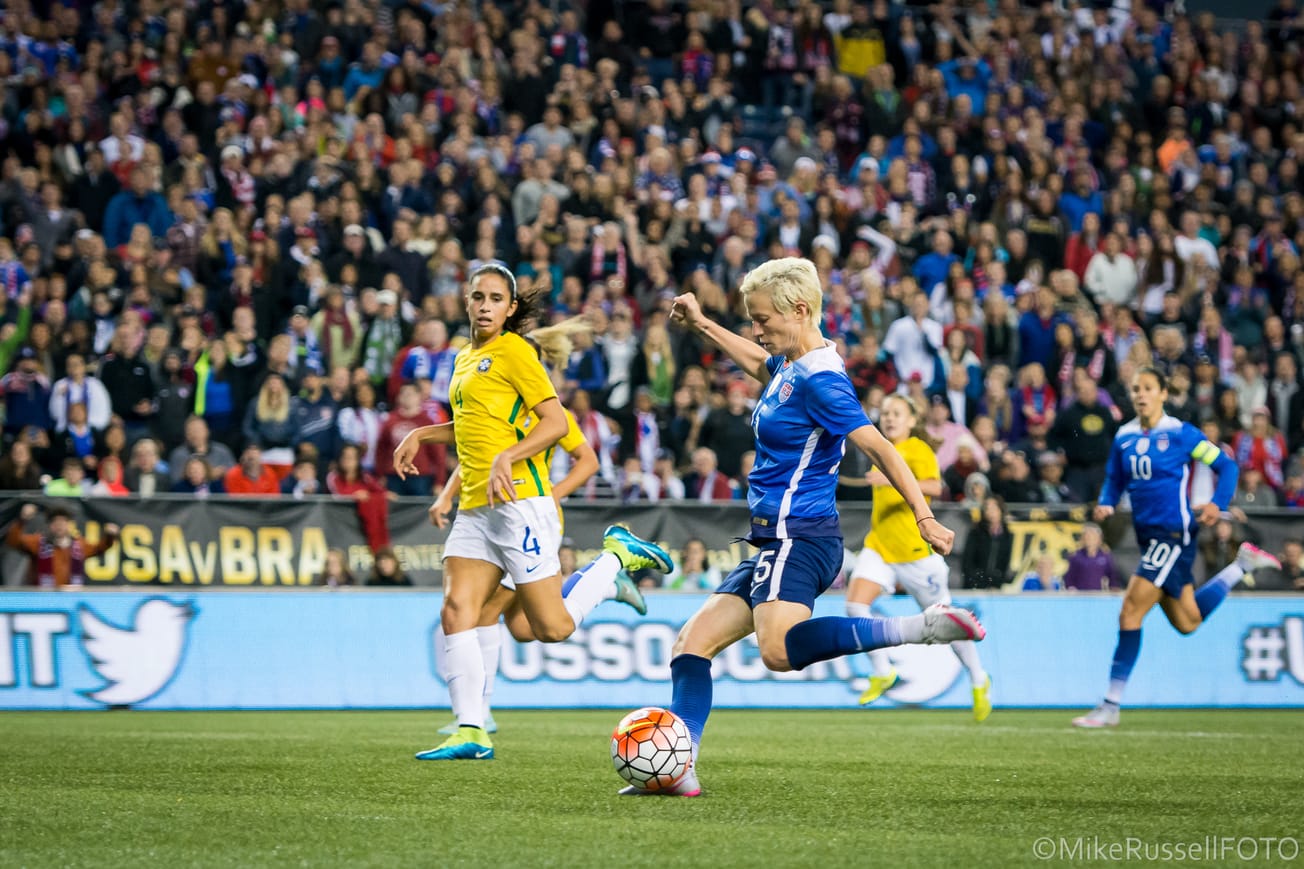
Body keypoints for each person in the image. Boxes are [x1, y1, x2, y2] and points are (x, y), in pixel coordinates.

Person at [631, 258, 982, 798]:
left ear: (800, 311)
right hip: (777, 538)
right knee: (690, 646)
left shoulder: (823, 380)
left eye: (763, 318)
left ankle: (923, 628)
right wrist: (703, 323)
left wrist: (925, 515)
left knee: (778, 650)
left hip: (801, 536)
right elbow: (756, 361)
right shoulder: (792, 363)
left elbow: (879, 447)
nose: (756, 329)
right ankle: (681, 769)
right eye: (752, 318)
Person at [392, 264, 674, 762]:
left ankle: (613, 560)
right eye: (477, 295)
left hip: (522, 505)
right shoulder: (464, 358)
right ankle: (472, 730)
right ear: (466, 299)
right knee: (458, 610)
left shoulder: (516, 352)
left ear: (510, 307)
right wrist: (420, 434)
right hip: (478, 507)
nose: (484, 305)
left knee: (550, 627)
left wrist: (512, 457)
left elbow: (552, 422)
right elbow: (469, 429)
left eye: (495, 298)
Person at [1073, 368, 1282, 729]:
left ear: (1163, 393)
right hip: (1149, 539)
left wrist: (1217, 503)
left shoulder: (1182, 434)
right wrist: (1106, 502)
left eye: (1148, 389)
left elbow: (1226, 466)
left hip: (1173, 535)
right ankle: (1240, 566)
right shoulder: (1123, 437)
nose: (1140, 395)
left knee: (1130, 612)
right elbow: (1114, 480)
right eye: (1136, 389)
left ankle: (1110, 704)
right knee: (1187, 621)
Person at [846, 395, 992, 721]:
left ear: (912, 420)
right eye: (885, 413)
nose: (889, 418)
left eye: (897, 413)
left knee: (944, 622)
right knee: (854, 605)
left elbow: (936, 487)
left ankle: (979, 678)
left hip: (915, 553)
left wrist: (890, 478)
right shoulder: (879, 448)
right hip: (880, 546)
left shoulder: (917, 449)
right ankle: (884, 671)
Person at [6, 503, 120, 588]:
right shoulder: (39, 542)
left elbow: (99, 548)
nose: (59, 526)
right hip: (42, 597)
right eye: (55, 522)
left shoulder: (78, 545)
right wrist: (22, 521)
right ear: (49, 525)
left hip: (71, 597)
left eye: (63, 522)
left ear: (69, 525)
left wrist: (110, 536)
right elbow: (14, 541)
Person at [961, 495, 1014, 589]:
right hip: (975, 586)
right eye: (987, 509)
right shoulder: (976, 532)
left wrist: (998, 583)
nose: (991, 512)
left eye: (994, 508)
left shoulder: (1007, 535)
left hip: (996, 587)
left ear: (1001, 510)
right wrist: (976, 581)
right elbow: (968, 561)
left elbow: (1005, 564)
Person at [1062, 523, 1120, 591]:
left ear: (1099, 539)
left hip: (1098, 596)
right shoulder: (1075, 557)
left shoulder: (1105, 556)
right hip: (1079, 596)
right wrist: (1070, 588)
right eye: (1086, 536)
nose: (1089, 539)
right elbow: (1069, 578)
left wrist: (1113, 589)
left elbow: (1112, 577)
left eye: (1092, 536)